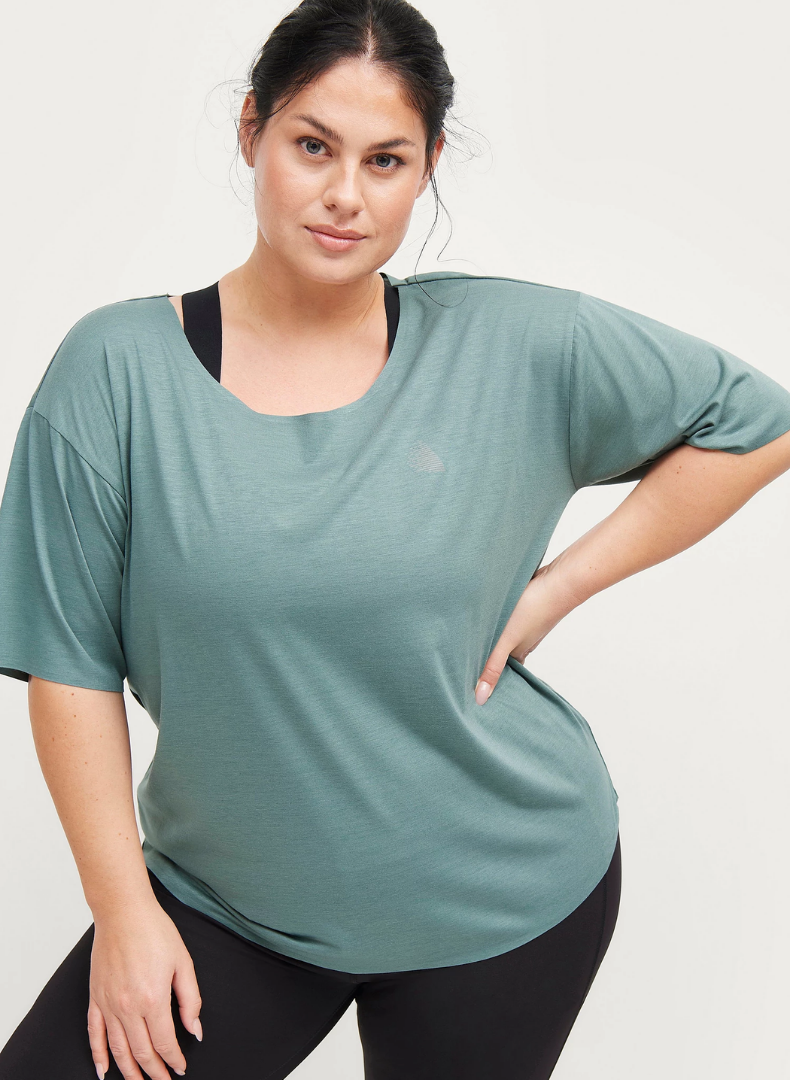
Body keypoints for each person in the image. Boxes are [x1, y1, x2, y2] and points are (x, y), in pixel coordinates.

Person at [1, 0, 789, 1077]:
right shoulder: (115, 371)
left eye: (386, 160)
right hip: (229, 904)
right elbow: (69, 664)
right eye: (312, 146)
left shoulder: (513, 345)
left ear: (428, 168)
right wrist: (124, 914)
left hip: (502, 898)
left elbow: (756, 422)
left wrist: (558, 587)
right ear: (251, 130)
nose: (345, 195)